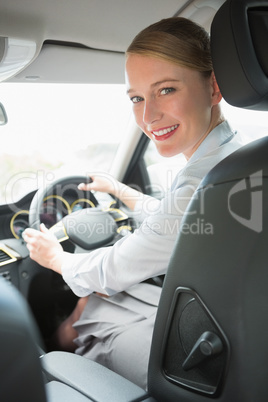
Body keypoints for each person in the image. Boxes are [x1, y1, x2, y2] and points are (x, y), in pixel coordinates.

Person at [23, 17, 243, 390]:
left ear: (214, 87)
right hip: (232, 328)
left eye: (166, 90)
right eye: (137, 98)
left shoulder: (203, 182)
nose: (147, 116)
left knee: (94, 299)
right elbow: (178, 223)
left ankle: (50, 361)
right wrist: (122, 192)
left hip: (217, 364)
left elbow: (112, 269)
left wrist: (55, 258)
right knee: (101, 295)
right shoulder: (236, 159)